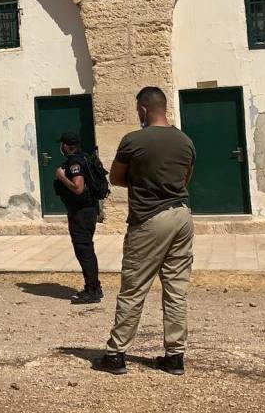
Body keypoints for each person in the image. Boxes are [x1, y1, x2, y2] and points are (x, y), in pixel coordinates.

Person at [96, 87, 196, 377]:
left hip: (149, 219)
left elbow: (115, 178)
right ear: (164, 108)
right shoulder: (185, 141)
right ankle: (175, 356)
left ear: (142, 109)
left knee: (134, 287)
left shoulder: (133, 141)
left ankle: (116, 354)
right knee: (176, 289)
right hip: (181, 215)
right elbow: (184, 180)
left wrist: (143, 182)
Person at [53, 132, 102, 304]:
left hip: (82, 212)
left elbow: (78, 187)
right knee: (86, 249)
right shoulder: (84, 158)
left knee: (84, 250)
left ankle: (92, 291)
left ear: (65, 146)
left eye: (62, 145)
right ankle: (94, 287)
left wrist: (61, 176)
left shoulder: (75, 162)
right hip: (87, 210)